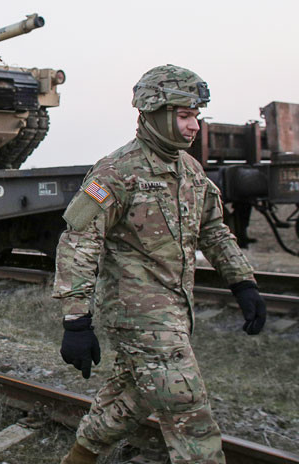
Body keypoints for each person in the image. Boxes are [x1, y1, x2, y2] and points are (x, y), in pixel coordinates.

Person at [52, 65, 267, 464]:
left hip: (175, 312)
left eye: (196, 117)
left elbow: (214, 230)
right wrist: (76, 320)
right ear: (155, 113)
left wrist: (243, 283)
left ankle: (78, 458)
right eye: (185, 117)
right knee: (188, 409)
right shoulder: (117, 172)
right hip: (137, 317)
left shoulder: (190, 170)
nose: (194, 127)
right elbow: (79, 243)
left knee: (132, 398)